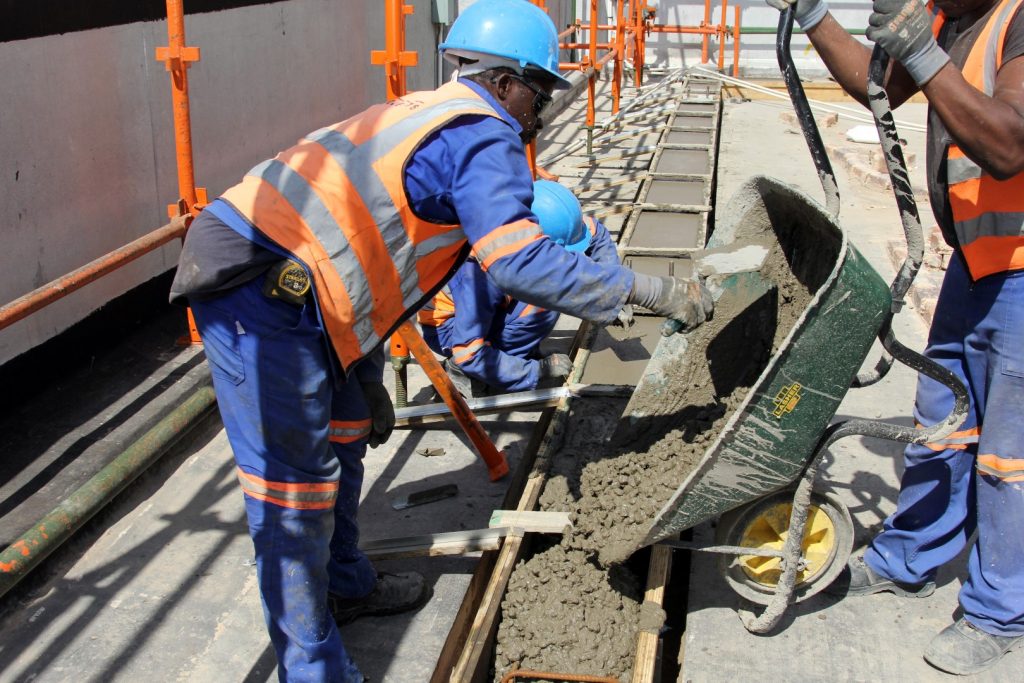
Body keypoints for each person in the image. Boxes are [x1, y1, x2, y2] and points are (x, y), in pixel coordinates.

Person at [168, 0, 712, 679]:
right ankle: (314, 670)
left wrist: (365, 377)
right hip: (260, 288)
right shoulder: (482, 132)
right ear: (506, 81)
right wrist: (650, 291)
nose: (540, 108)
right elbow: (519, 261)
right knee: (291, 496)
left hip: (304, 289)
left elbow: (362, 246)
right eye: (539, 89)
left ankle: (345, 585)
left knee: (346, 434)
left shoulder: (426, 114)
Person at [767, 0, 1024, 674]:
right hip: (977, 259)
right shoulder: (950, 20)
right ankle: (909, 555)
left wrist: (921, 46)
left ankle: (999, 609)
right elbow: (872, 82)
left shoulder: (1017, 19)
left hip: (1023, 270)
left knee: (1009, 453)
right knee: (941, 416)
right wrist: (814, 13)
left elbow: (1008, 144)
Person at [418, 179, 630, 397]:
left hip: (481, 305)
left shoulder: (535, 219)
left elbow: (596, 234)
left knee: (548, 285)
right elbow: (468, 351)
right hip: (450, 329)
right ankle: (464, 372)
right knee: (545, 299)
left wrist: (613, 293)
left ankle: (513, 350)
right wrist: (535, 371)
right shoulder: (481, 273)